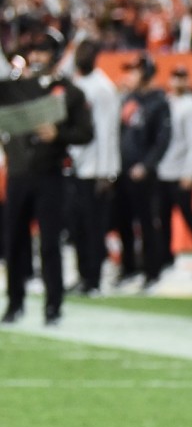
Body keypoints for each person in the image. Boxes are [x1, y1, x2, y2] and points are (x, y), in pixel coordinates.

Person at [0, 28, 93, 325]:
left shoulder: (70, 92)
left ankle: (53, 306)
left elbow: (85, 133)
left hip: (50, 174)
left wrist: (58, 134)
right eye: (33, 51)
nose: (36, 56)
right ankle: (15, 303)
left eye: (42, 50)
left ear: (55, 54)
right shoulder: (15, 87)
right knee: (13, 240)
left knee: (50, 242)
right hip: (18, 173)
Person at [63, 37, 121, 297]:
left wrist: (107, 171)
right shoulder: (76, 84)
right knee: (76, 226)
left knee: (93, 226)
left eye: (86, 52)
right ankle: (82, 274)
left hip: (95, 167)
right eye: (78, 52)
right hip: (75, 164)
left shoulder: (103, 88)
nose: (80, 57)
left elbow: (109, 132)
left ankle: (94, 279)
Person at [116, 52, 171, 290]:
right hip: (123, 169)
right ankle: (127, 268)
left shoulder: (159, 102)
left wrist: (147, 165)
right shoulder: (128, 99)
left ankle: (152, 272)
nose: (130, 76)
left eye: (135, 71)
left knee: (148, 224)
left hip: (144, 173)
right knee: (123, 221)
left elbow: (163, 139)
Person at [157, 66, 192, 267]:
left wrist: (190, 171)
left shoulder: (191, 105)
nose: (178, 82)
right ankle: (165, 256)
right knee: (163, 217)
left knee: (188, 215)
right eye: (175, 77)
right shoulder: (166, 101)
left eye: (182, 78)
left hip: (180, 171)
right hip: (163, 168)